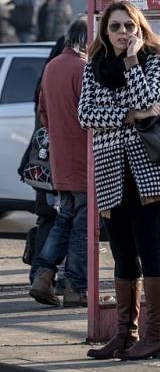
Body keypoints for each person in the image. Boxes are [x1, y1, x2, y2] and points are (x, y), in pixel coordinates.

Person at [79, 0, 160, 361]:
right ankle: (125, 335)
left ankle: (155, 336)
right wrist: (130, 115)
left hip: (150, 168)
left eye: (129, 26)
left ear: (140, 28)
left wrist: (133, 61)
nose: (123, 33)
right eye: (116, 27)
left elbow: (150, 99)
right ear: (105, 31)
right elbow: (85, 113)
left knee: (151, 249)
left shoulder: (155, 60)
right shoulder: (93, 67)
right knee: (122, 253)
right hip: (111, 169)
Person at [29, 18, 88, 308]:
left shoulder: (52, 67)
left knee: (63, 220)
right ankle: (76, 288)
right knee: (82, 227)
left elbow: (42, 111)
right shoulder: (83, 69)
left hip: (60, 160)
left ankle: (42, 275)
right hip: (84, 160)